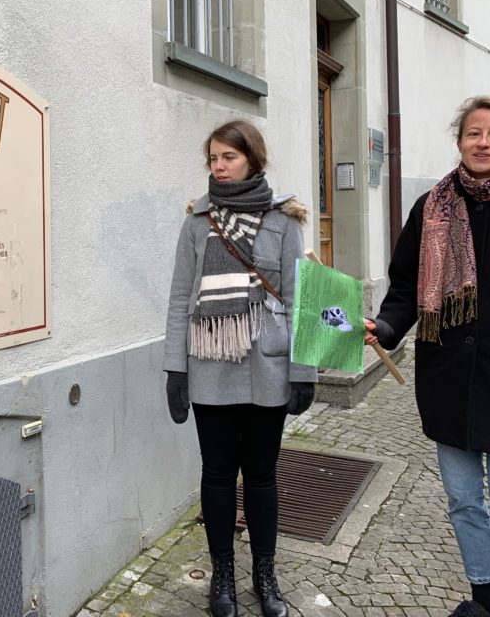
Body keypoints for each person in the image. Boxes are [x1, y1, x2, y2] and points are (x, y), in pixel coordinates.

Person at [364, 96, 490, 617]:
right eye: (474, 133)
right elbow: (405, 285)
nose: (483, 143)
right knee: (464, 500)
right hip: (447, 379)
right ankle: (480, 597)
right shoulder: (431, 208)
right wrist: (384, 326)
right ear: (459, 141)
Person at [163, 120, 316, 617]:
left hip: (267, 368)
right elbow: (180, 297)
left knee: (263, 477)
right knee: (217, 474)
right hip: (209, 365)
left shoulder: (284, 221)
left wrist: (304, 371)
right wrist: (175, 369)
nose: (219, 166)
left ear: (252, 158)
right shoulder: (196, 223)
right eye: (213, 158)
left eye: (228, 157)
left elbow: (300, 299)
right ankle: (223, 573)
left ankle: (265, 575)